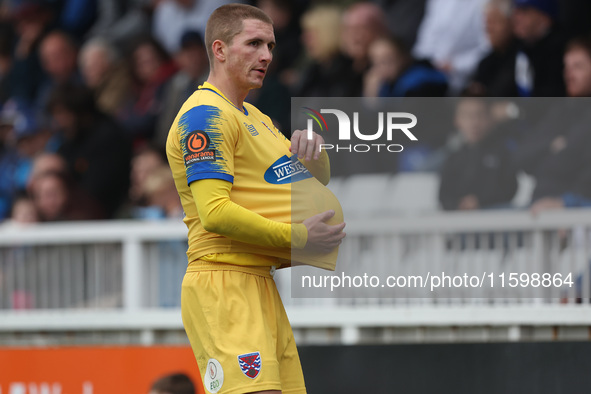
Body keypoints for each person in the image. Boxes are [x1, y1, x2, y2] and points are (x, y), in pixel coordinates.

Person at [166, 4, 345, 394]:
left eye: (270, 45)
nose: (266, 55)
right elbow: (213, 213)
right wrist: (296, 237)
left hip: (258, 282)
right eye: (253, 43)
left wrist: (315, 153)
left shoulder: (256, 118)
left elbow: (320, 178)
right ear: (220, 49)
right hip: (223, 282)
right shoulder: (205, 116)